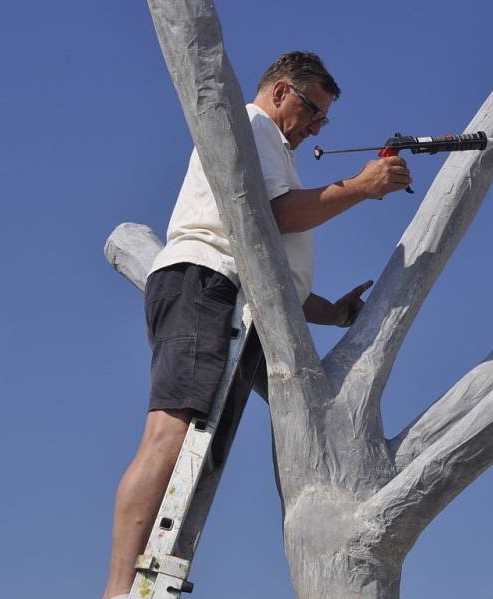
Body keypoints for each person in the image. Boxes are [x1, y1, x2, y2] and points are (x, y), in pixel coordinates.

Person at [102, 51, 412, 599]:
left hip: (227, 290)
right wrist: (361, 187)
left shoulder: (270, 144)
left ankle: (134, 580)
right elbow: (274, 215)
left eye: (323, 120)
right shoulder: (253, 126)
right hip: (208, 283)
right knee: (169, 436)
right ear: (280, 91)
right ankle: (118, 589)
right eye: (314, 110)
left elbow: (269, 265)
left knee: (183, 444)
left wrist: (332, 312)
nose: (317, 126)